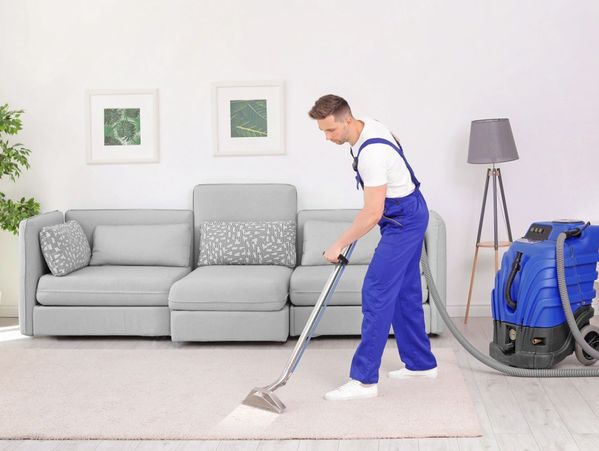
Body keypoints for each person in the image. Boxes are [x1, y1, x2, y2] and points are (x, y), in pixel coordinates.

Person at [308, 94, 438, 401]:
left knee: (376, 292)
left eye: (331, 131)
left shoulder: (372, 154)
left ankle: (364, 380)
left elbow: (371, 213)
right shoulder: (370, 125)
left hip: (402, 220)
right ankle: (421, 364)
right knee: (404, 291)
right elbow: (397, 144)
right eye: (323, 132)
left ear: (347, 120)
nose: (328, 138)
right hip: (408, 210)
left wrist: (339, 242)